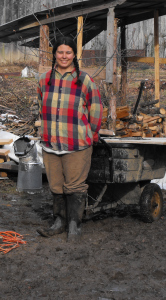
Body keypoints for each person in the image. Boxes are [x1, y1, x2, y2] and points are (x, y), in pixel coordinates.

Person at [36, 36, 103, 242]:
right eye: (60, 52)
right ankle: (58, 221)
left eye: (68, 52)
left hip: (77, 143)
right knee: (56, 185)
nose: (64, 56)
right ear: (54, 54)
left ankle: (74, 224)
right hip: (51, 143)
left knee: (75, 186)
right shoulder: (44, 79)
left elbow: (96, 109)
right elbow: (40, 106)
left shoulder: (84, 80)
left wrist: (91, 133)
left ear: (74, 55)